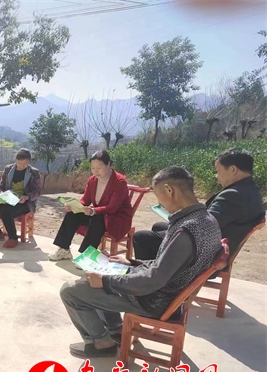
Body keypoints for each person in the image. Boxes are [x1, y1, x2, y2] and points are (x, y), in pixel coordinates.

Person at [59, 166, 222, 358]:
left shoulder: (186, 230)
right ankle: (116, 329)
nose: (160, 203)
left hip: (153, 299)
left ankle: (100, 343)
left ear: (169, 190)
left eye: (159, 196)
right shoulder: (206, 220)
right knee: (104, 274)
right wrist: (132, 263)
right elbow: (167, 265)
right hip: (164, 292)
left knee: (70, 290)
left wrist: (105, 281)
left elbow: (153, 280)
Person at [133, 148, 265, 261]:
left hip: (205, 255)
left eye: (218, 171)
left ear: (233, 170)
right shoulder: (252, 190)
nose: (216, 176)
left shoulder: (233, 195)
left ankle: (157, 278)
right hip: (218, 244)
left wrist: (181, 216)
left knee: (142, 238)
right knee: (159, 226)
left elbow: (203, 226)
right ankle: (160, 268)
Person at [49, 150, 133, 261]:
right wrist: (75, 206)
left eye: (99, 168)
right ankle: (64, 250)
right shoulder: (92, 180)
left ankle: (86, 256)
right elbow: (86, 200)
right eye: (93, 168)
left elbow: (113, 207)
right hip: (99, 213)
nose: (95, 171)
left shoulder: (119, 181)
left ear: (108, 164)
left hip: (116, 218)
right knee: (71, 214)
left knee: (96, 219)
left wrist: (93, 211)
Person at [0, 149, 41, 248]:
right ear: (16, 160)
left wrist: (27, 197)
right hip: (8, 200)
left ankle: (13, 238)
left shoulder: (34, 172)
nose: (22, 166)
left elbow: (37, 192)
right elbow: (0, 186)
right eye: (20, 163)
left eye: (25, 163)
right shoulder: (8, 169)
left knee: (5, 211)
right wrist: (3, 195)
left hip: (25, 203)